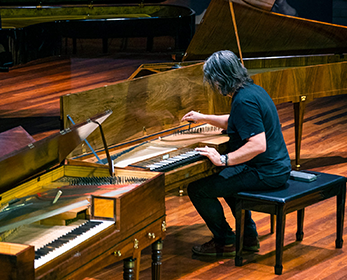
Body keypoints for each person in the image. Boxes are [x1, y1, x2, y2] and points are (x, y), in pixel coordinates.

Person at [181, 50, 291, 256]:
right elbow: (235, 120)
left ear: (219, 79)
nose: (213, 86)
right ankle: (248, 237)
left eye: (212, 80)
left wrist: (223, 159)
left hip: (266, 172)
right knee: (226, 179)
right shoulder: (253, 91)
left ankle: (225, 240)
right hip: (275, 167)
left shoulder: (244, 101)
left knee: (198, 189)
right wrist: (202, 117)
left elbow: (258, 145)